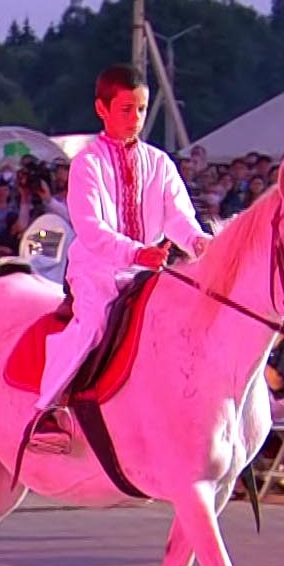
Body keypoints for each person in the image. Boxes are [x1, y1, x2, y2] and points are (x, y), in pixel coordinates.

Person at [29, 65, 212, 447]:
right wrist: (136, 252)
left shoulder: (160, 163)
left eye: (141, 109)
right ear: (102, 109)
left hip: (148, 270)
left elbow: (180, 218)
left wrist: (198, 243)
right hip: (97, 269)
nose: (136, 119)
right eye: (126, 109)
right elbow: (91, 229)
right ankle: (45, 410)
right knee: (94, 322)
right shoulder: (87, 163)